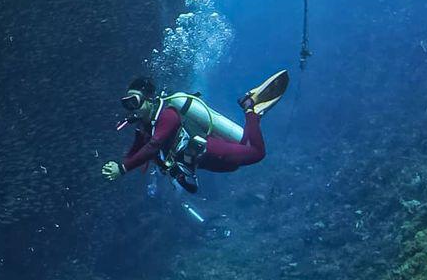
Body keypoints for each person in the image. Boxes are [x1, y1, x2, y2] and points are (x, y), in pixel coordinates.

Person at [101, 71, 289, 193]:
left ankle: (251, 108)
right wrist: (119, 164)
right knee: (236, 160)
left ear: (149, 99)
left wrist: (123, 168)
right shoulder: (144, 127)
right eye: (127, 104)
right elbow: (135, 152)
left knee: (257, 153)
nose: (132, 108)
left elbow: (154, 146)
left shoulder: (167, 114)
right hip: (200, 160)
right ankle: (250, 107)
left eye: (134, 101)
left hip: (208, 148)